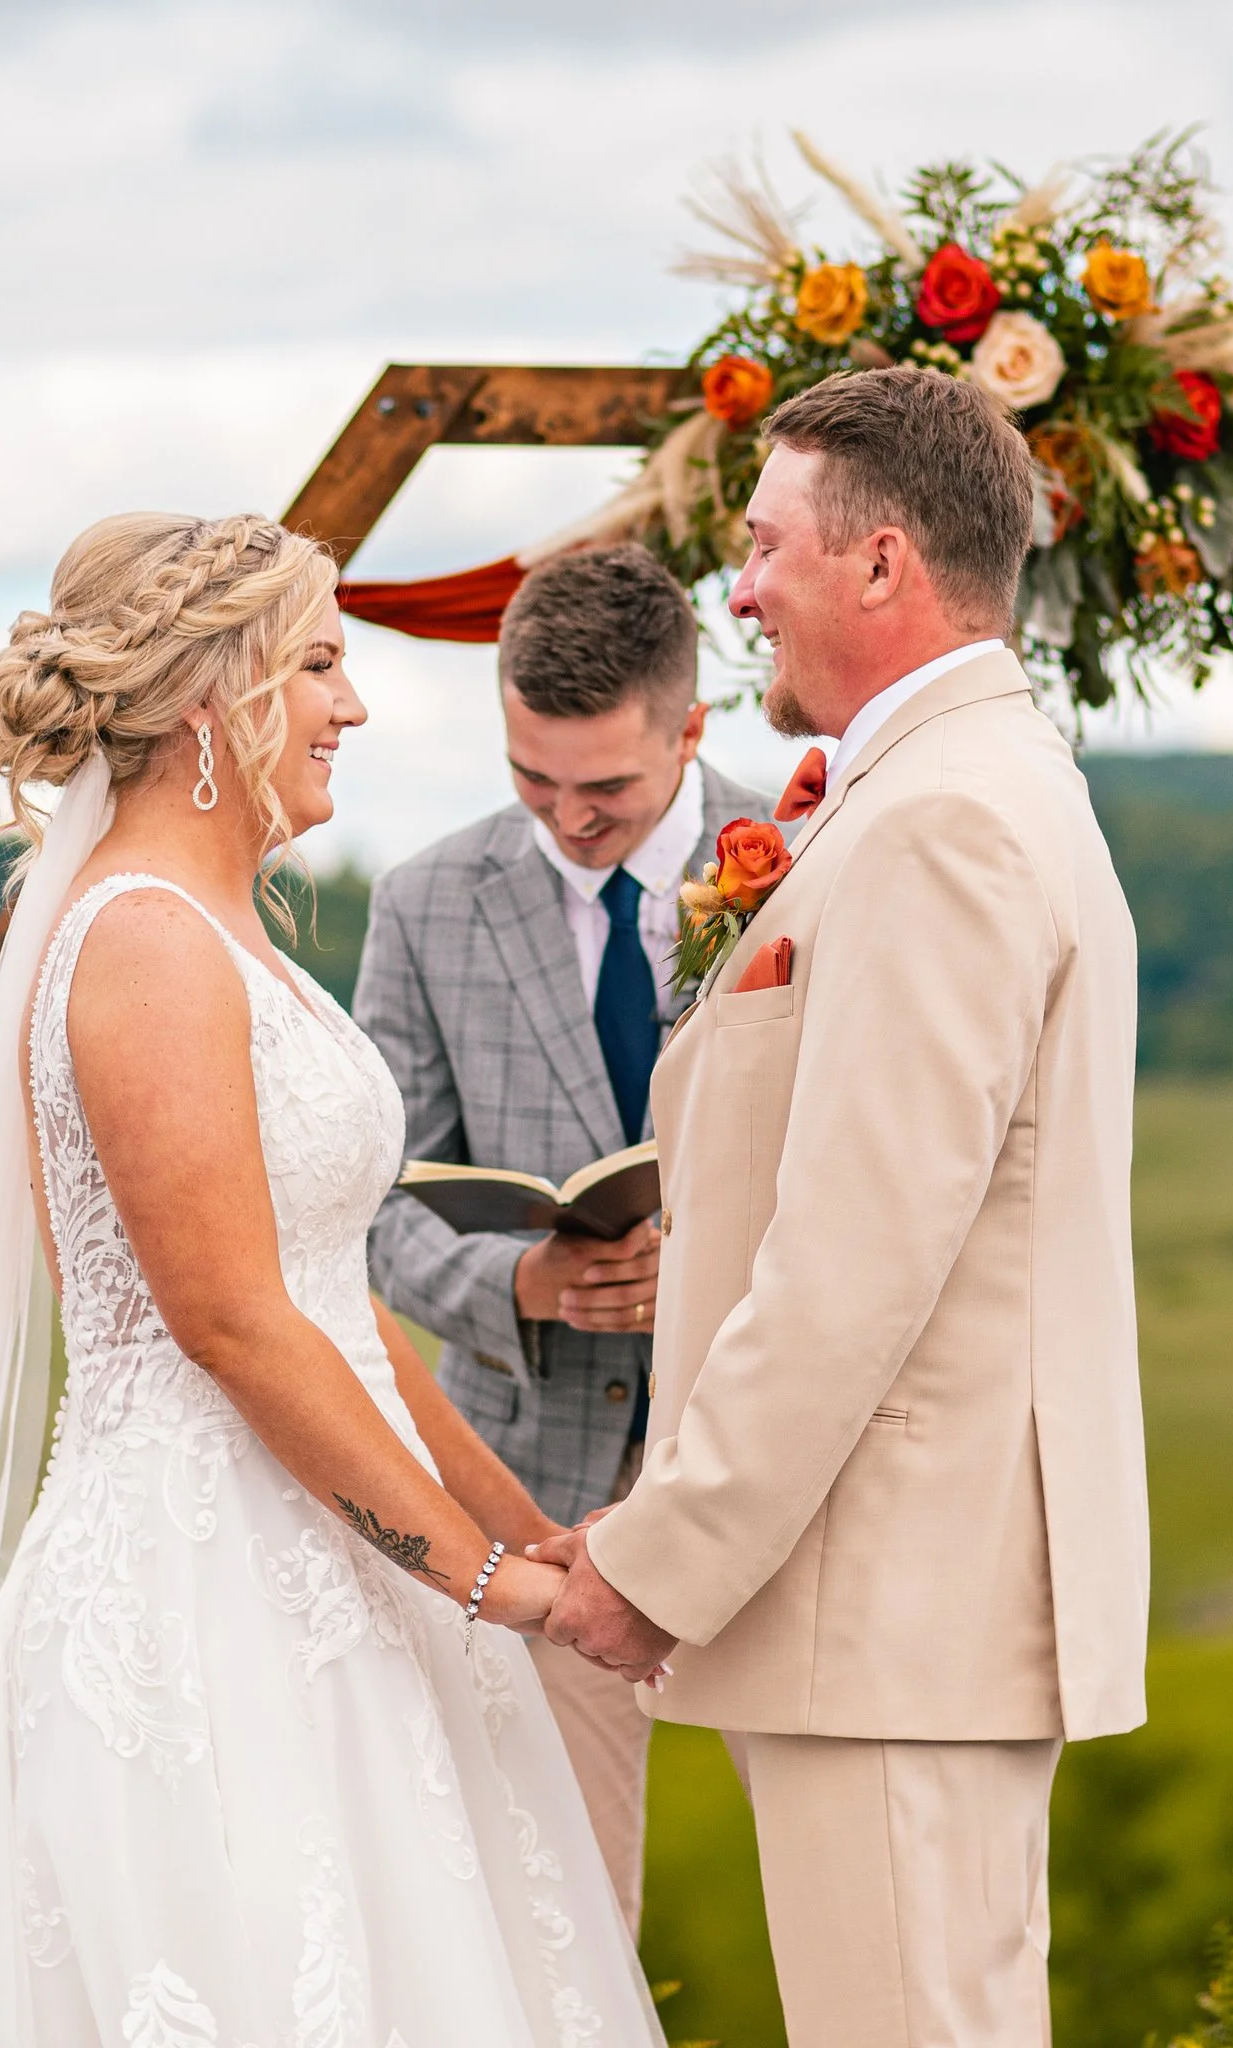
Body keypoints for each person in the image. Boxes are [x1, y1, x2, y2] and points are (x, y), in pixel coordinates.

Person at [0, 514, 666, 2048]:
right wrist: (488, 1585)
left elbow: (334, 1305)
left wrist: (520, 1529)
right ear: (220, 696)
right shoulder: (143, 942)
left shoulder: (228, 932)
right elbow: (230, 1321)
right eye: (321, 664)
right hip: (201, 1591)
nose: (352, 705)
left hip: (338, 1553)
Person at [535, 370, 1148, 2047]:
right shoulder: (941, 789)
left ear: (881, 563)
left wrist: (658, 1560)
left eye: (763, 546)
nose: (736, 591)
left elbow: (851, 1264)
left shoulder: (942, 821)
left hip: (892, 1603)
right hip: (881, 1608)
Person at [354, 543, 769, 1934]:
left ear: (691, 729)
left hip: (768, 1453)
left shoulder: (814, 861)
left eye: (607, 790)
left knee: (841, 1876)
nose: (568, 819)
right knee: (557, 1915)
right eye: (532, 780)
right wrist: (522, 1280)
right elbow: (367, 1206)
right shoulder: (426, 901)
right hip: (530, 1485)